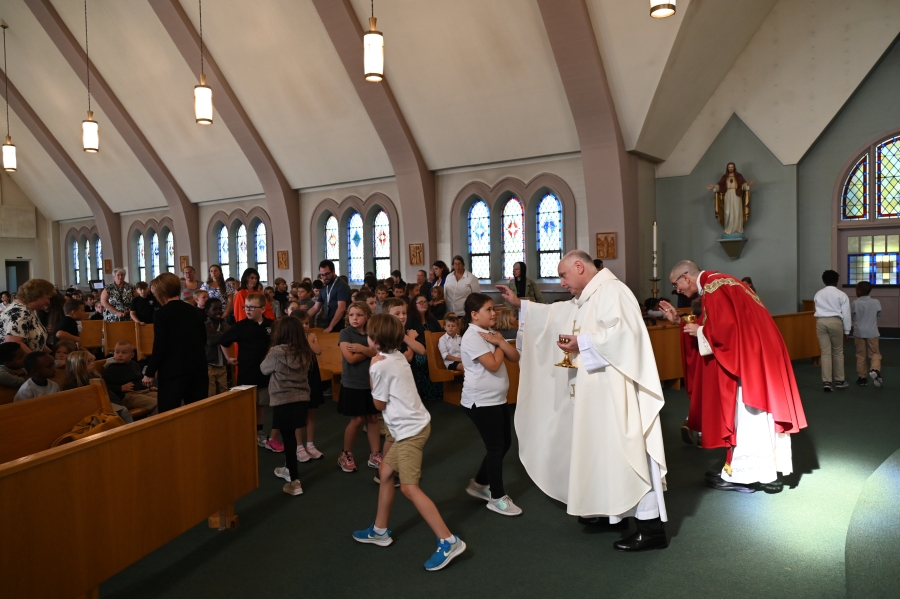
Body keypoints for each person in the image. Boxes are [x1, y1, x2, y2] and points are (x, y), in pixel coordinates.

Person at [499, 250, 669, 551]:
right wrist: (521, 306)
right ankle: (608, 512)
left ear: (580, 267)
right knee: (600, 454)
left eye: (564, 275)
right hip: (595, 395)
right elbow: (561, 313)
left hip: (616, 396)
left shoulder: (613, 291)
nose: (562, 282)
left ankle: (650, 527)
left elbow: (626, 337)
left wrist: (583, 342)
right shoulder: (588, 297)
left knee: (627, 453)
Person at [658, 260, 807, 495]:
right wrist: (680, 322)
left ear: (686, 278)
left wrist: (701, 332)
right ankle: (741, 470)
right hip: (755, 357)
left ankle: (745, 475)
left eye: (675, 285)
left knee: (747, 415)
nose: (678, 291)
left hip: (747, 363)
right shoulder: (720, 283)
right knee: (748, 416)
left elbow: (725, 332)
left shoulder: (715, 288)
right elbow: (721, 324)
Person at [352, 313, 467, 571]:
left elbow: (378, 404)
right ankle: (380, 530)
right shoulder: (397, 356)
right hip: (413, 425)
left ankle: (449, 541)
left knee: (408, 488)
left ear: (374, 341)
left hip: (409, 432)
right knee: (385, 473)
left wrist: (371, 371)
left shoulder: (379, 365)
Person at [459, 293, 522, 516]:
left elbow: (515, 357)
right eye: (488, 310)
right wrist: (498, 344)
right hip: (480, 402)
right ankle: (497, 498)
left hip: (497, 400)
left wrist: (501, 341)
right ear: (474, 315)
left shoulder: (491, 334)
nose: (493, 313)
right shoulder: (472, 337)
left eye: (493, 309)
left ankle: (479, 485)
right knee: (496, 448)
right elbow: (494, 365)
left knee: (504, 444)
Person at [218, 292, 280, 451]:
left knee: (261, 405)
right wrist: (229, 358)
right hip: (246, 372)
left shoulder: (271, 325)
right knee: (245, 405)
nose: (248, 310)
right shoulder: (240, 326)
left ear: (263, 308)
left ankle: (259, 431)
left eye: (252, 307)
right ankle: (244, 431)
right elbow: (224, 342)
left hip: (265, 373)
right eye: (246, 307)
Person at [141, 273, 209, 413]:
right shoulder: (195, 311)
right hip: (197, 368)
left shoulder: (161, 314)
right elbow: (203, 339)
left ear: (161, 292)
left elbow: (160, 345)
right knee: (198, 412)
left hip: (173, 371)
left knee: (168, 414)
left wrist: (150, 371)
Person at [262, 317, 314, 496]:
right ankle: (288, 468)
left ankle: (294, 480)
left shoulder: (276, 352)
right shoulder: (305, 351)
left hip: (283, 400)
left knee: (289, 439)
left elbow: (263, 369)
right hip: (301, 399)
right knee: (291, 436)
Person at [337, 302, 381, 473]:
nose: (355, 318)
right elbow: (351, 359)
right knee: (355, 420)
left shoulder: (373, 333)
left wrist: (362, 349)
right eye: (352, 315)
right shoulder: (345, 333)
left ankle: (375, 454)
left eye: (359, 315)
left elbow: (378, 352)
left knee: (373, 418)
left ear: (367, 317)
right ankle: (346, 454)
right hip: (353, 383)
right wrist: (369, 351)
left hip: (372, 382)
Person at [291, 310, 325, 461]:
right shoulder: (291, 339)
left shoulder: (311, 336)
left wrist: (309, 340)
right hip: (298, 377)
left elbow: (318, 351)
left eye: (307, 323)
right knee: (298, 413)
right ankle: (299, 447)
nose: (305, 326)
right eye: (302, 324)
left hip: (312, 375)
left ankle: (310, 444)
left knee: (311, 411)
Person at [64, 349, 133, 422]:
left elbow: (109, 394)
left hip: (103, 404)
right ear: (78, 366)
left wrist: (121, 404)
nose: (93, 363)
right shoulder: (72, 385)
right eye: (88, 362)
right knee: (114, 415)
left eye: (92, 360)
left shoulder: (96, 378)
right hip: (91, 410)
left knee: (124, 410)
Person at [813, 270, 851, 392]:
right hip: (835, 322)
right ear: (837, 281)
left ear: (824, 281)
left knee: (825, 353)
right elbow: (846, 313)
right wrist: (847, 330)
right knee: (838, 352)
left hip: (821, 322)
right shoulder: (841, 294)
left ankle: (827, 382)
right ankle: (840, 380)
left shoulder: (818, 294)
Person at [1, 278, 55, 355]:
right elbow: (14, 343)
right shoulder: (20, 312)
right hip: (22, 365)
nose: (48, 302)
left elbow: (35, 341)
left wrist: (51, 355)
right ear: (37, 296)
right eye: (48, 298)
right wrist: (37, 361)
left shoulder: (27, 310)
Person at [103, 341, 158, 415]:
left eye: (124, 352)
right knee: (156, 403)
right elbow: (105, 386)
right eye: (117, 352)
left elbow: (140, 380)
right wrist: (120, 388)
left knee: (165, 398)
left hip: (142, 392)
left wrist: (149, 388)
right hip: (127, 396)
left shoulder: (134, 364)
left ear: (132, 355)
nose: (120, 355)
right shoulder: (111, 368)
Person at [707, 162, 754, 235]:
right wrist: (714, 186)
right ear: (727, 168)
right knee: (727, 212)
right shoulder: (725, 177)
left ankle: (736, 228)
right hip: (728, 194)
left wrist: (747, 184)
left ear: (734, 167)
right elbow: (720, 186)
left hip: (736, 195)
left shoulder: (738, 176)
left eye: (732, 167)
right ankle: (728, 228)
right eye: (729, 167)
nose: (730, 168)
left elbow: (743, 185)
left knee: (736, 211)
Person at [852, 281, 882, 388]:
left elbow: (853, 316)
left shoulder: (855, 303)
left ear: (859, 291)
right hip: (872, 332)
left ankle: (862, 378)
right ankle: (875, 369)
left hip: (859, 332)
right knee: (874, 353)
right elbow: (878, 315)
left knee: (860, 355)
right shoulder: (876, 302)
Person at [308, 260, 351, 333]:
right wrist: (302, 319)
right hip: (327, 323)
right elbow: (315, 307)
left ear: (333, 271)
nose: (324, 277)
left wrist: (331, 326)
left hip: (340, 325)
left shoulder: (341, 286)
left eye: (327, 274)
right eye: (322, 275)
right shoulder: (325, 287)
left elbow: (341, 308)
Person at [204, 298, 230, 398]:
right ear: (207, 312)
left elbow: (228, 340)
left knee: (224, 391)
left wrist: (219, 334)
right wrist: (224, 333)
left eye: (220, 309)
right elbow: (211, 341)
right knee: (211, 393)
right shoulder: (205, 325)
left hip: (222, 364)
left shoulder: (224, 324)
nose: (218, 312)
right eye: (214, 309)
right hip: (209, 365)